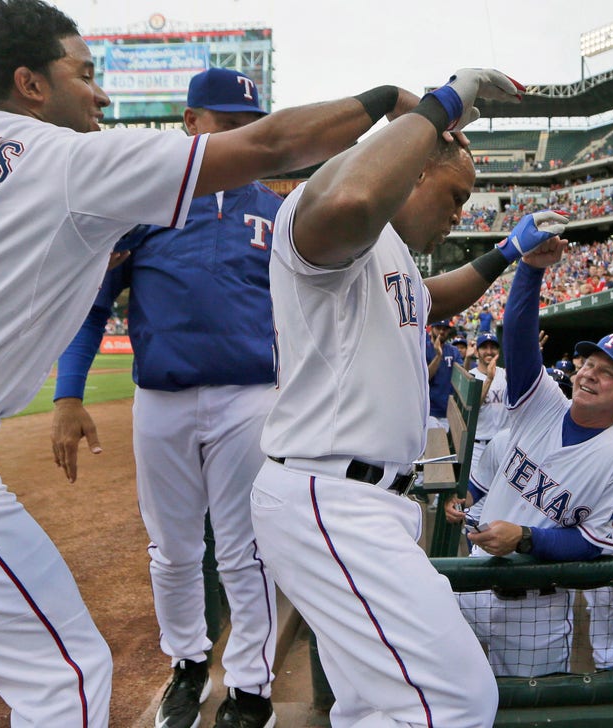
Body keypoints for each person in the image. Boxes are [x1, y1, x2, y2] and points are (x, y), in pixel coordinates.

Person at [0, 0, 428, 723]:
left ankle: (248, 681)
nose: (102, 93)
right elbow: (272, 146)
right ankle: (191, 661)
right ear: (31, 84)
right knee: (67, 674)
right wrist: (404, 101)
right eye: (84, 74)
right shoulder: (72, 161)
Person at [248, 69, 527, 728]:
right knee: (457, 700)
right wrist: (445, 102)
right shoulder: (329, 217)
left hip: (359, 500)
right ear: (415, 168)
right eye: (456, 194)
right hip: (332, 497)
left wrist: (509, 252)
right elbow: (348, 200)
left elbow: (435, 300)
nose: (462, 212)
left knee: (377, 707)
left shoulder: (391, 253)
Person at [50, 68, 286, 728]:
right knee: (174, 549)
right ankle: (187, 665)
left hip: (250, 400)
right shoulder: (145, 207)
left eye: (252, 124)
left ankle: (251, 687)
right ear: (191, 123)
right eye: (228, 121)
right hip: (163, 399)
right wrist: (68, 395)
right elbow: (93, 306)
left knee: (245, 550)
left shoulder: (277, 210)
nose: (244, 133)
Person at [449, 220, 613, 678]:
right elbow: (516, 333)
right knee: (452, 702)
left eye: (608, 372)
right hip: (474, 583)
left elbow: (596, 544)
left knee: (527, 714)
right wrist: (530, 270)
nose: (590, 374)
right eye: (588, 363)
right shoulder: (544, 405)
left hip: (535, 610)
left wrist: (526, 537)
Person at [469, 332, 507, 463]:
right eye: (484, 347)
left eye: (493, 347)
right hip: (479, 446)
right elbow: (472, 408)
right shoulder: (470, 376)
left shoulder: (506, 374)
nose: (489, 351)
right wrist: (489, 379)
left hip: (505, 445)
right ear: (476, 352)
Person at [426, 320, 463, 431]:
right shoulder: (423, 348)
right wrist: (438, 356)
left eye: (445, 328)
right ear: (431, 328)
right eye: (438, 327)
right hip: (428, 410)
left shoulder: (453, 351)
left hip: (447, 410)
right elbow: (425, 378)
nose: (442, 331)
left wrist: (468, 358)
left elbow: (461, 375)